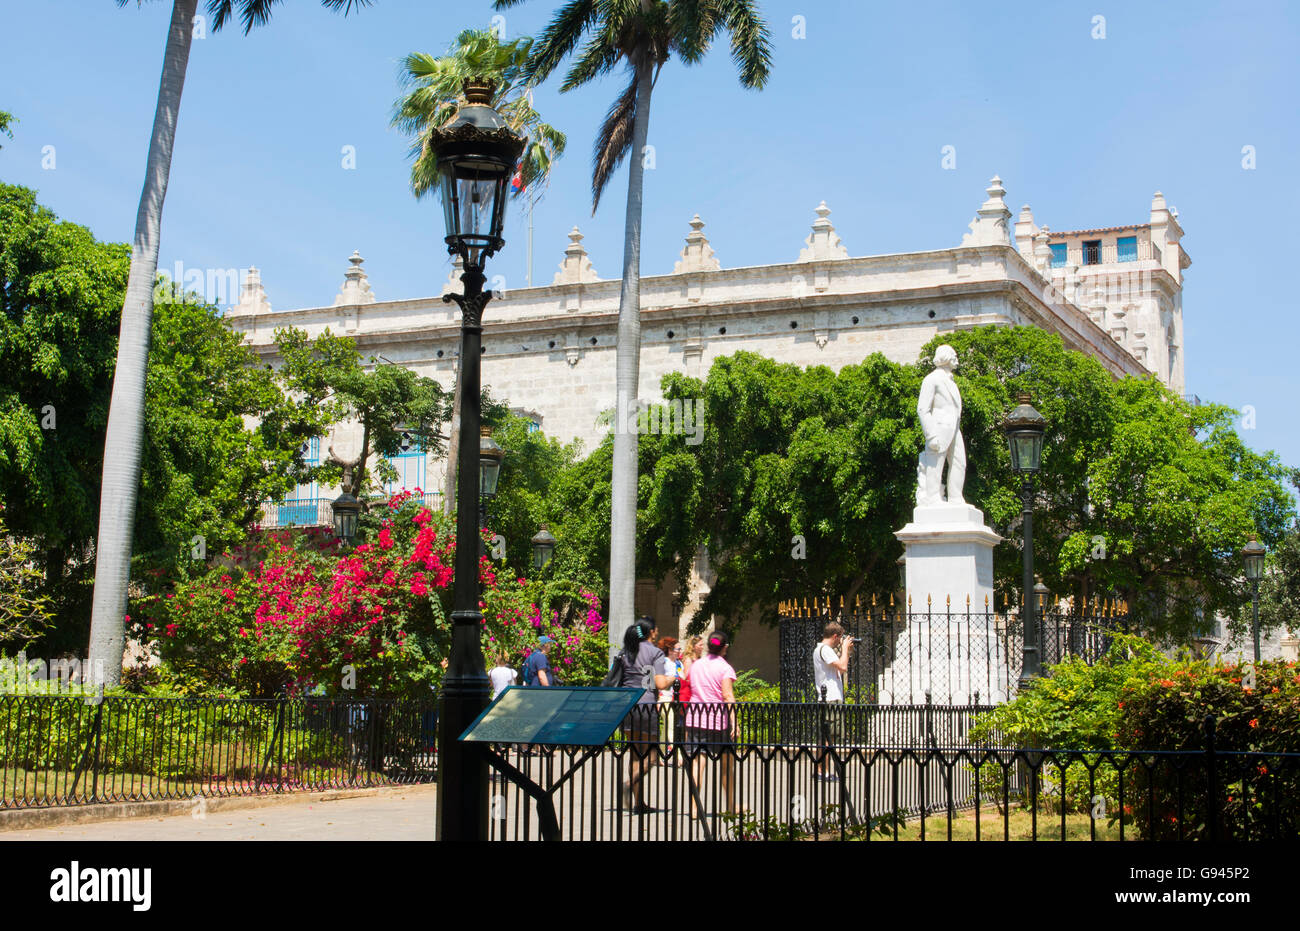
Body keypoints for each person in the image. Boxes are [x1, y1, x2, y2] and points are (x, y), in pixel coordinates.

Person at [616, 619, 673, 813]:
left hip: (627, 707)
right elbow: (660, 683)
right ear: (651, 632)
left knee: (635, 755)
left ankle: (639, 803)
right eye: (655, 630)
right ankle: (629, 783)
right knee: (653, 755)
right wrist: (674, 677)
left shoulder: (626, 651)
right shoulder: (654, 652)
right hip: (646, 706)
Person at [685, 630, 738, 816]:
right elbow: (727, 695)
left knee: (698, 764)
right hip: (716, 721)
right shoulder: (725, 668)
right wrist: (735, 723)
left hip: (695, 717)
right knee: (726, 765)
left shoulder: (696, 665)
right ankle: (731, 806)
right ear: (725, 647)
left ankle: (693, 807)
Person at [915, 344, 966, 507]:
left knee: (960, 463)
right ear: (945, 357)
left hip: (954, 428)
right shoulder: (931, 379)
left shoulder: (952, 382)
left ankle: (956, 497)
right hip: (938, 428)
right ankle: (932, 498)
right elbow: (923, 409)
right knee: (935, 465)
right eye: (954, 356)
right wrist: (930, 435)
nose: (956, 360)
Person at [813, 621, 853, 780]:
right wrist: (845, 650)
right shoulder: (825, 650)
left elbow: (839, 668)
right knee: (829, 738)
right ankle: (823, 771)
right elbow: (843, 667)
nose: (840, 641)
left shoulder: (821, 650)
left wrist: (846, 651)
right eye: (840, 638)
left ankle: (822, 770)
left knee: (827, 737)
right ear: (835, 636)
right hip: (830, 698)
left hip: (830, 698)